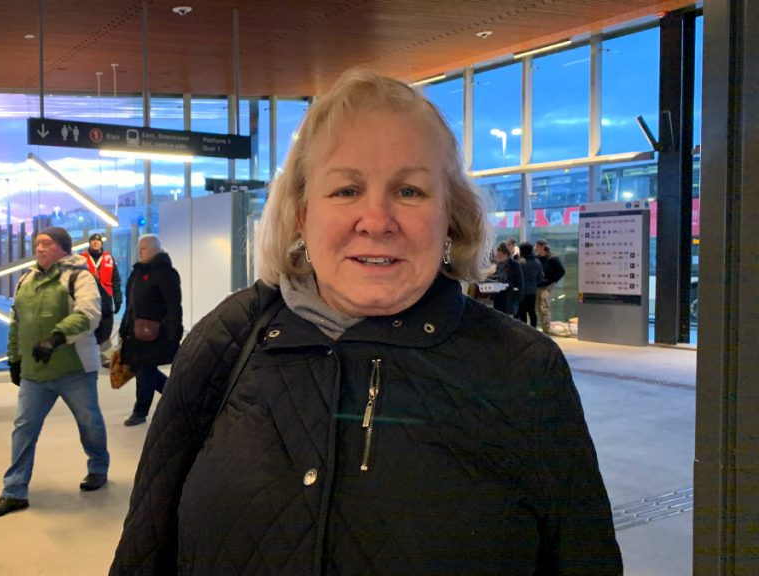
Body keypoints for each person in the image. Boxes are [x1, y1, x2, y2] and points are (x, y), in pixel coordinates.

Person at [110, 69, 621, 574]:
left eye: (410, 191)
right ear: (301, 215)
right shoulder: (228, 338)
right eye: (346, 190)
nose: (376, 220)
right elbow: (146, 547)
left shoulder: (524, 370)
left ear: (452, 217)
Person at [0, 226, 110, 519]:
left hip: (74, 369)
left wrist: (55, 337)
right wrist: (14, 359)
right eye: (37, 244)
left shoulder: (79, 276)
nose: (40, 248)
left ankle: (98, 467)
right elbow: (17, 321)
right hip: (35, 373)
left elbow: (89, 314)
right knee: (24, 429)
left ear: (63, 248)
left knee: (89, 423)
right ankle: (14, 491)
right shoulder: (26, 280)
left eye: (47, 243)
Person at [116, 234, 182, 427]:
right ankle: (177, 397)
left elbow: (173, 306)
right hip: (135, 334)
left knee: (145, 371)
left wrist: (173, 334)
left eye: (144, 248)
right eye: (139, 248)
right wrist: (124, 328)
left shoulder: (165, 273)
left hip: (154, 334)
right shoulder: (138, 272)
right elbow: (131, 305)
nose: (140, 251)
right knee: (146, 370)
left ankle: (140, 411)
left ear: (155, 249)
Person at [81, 232, 123, 360]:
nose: (96, 242)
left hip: (106, 299)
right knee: (89, 326)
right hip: (88, 298)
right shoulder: (82, 258)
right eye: (93, 240)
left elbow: (116, 280)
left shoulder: (109, 258)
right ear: (89, 243)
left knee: (106, 326)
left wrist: (118, 299)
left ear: (101, 243)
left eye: (98, 241)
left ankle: (104, 355)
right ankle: (88, 355)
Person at [536, 239, 566, 334]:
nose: (535, 248)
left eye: (537, 246)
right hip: (539, 285)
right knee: (538, 307)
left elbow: (561, 271)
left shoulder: (552, 259)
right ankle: (542, 327)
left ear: (542, 247)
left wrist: (553, 280)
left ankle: (546, 330)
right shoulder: (538, 258)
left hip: (547, 286)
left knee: (544, 307)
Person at [491, 241, 524, 316]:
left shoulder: (514, 265)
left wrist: (518, 298)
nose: (498, 257)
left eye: (500, 255)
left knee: (509, 319)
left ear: (506, 254)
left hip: (509, 296)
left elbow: (520, 282)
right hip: (498, 296)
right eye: (497, 255)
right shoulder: (496, 265)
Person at [516, 241, 545, 327]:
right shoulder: (537, 262)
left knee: (522, 312)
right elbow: (541, 277)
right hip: (532, 291)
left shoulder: (520, 262)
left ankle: (525, 331)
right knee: (532, 312)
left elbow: (517, 277)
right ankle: (534, 330)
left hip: (522, 291)